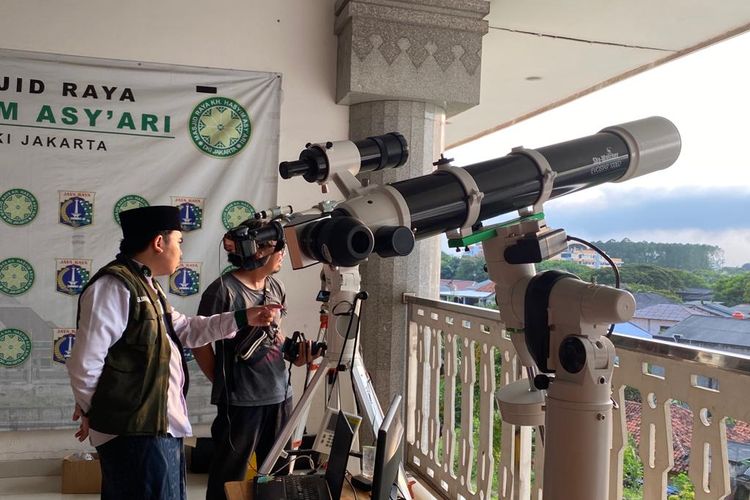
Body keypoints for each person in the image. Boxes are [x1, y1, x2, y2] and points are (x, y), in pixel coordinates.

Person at [66, 206, 280, 500]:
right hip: (135, 432)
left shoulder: (148, 286)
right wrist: (95, 411)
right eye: (178, 241)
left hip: (156, 428)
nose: (181, 250)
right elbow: (84, 363)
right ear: (159, 242)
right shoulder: (114, 288)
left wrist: (244, 318)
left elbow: (187, 329)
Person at [192, 219, 314, 500]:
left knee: (279, 476)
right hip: (241, 404)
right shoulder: (222, 291)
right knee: (229, 476)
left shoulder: (275, 286)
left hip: (281, 397)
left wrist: (294, 355)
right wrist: (223, 381)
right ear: (256, 251)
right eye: (276, 246)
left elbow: (275, 334)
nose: (282, 251)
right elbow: (199, 342)